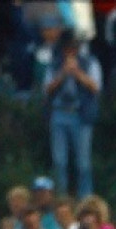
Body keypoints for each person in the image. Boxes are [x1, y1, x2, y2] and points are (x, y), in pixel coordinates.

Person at [44, 32, 103, 200]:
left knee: (83, 163)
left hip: (80, 115)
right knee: (59, 162)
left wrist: (77, 73)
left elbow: (95, 87)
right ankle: (61, 198)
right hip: (59, 113)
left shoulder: (90, 63)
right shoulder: (55, 64)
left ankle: (86, 198)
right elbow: (47, 89)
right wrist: (63, 73)